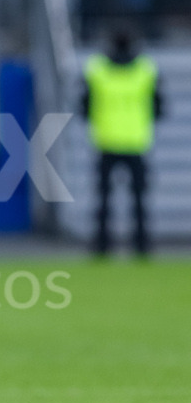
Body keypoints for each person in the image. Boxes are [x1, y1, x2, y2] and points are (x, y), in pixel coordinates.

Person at [81, 29, 163, 256]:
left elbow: (84, 106)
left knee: (103, 200)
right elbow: (158, 107)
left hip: (105, 141)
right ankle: (142, 246)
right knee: (139, 200)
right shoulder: (146, 70)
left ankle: (101, 246)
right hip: (136, 142)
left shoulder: (96, 69)